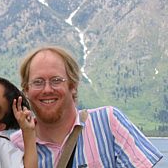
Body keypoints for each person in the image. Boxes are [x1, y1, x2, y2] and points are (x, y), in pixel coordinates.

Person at [11, 46, 163, 167]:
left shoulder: (108, 123)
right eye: (38, 82)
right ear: (26, 91)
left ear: (73, 86)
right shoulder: (15, 146)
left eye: (56, 80)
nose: (47, 89)